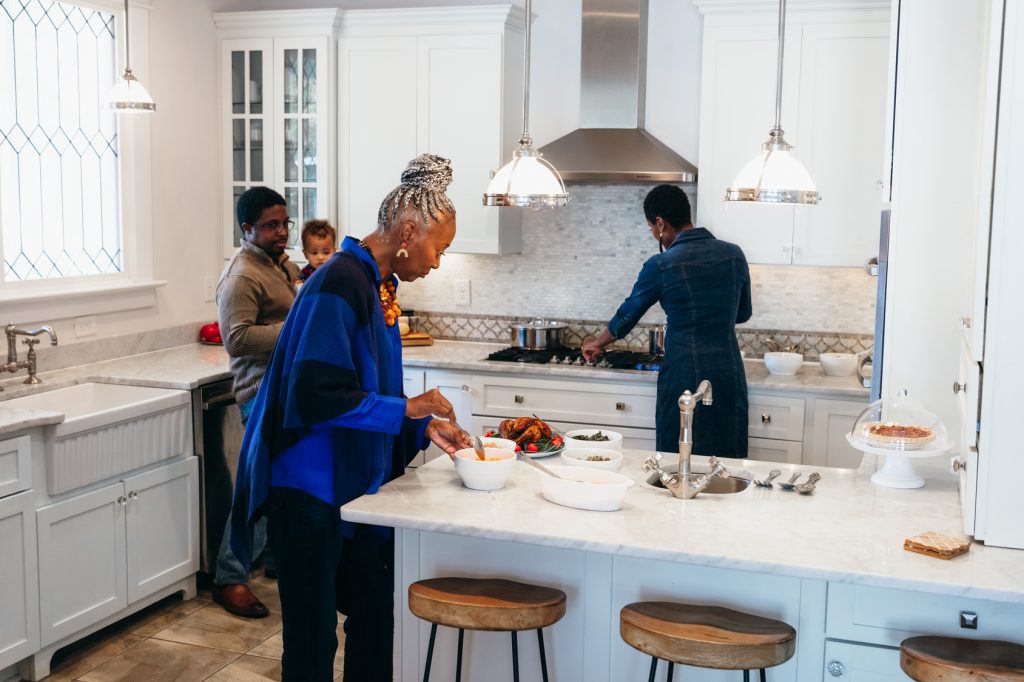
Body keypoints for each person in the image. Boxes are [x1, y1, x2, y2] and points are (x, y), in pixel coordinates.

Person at [230, 154, 469, 681]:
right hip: (309, 491)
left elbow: (367, 391)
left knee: (376, 619)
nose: (437, 262)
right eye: (439, 248)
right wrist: (408, 407)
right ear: (409, 231)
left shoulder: (377, 285)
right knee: (313, 643)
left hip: (352, 490)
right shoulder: (339, 282)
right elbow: (317, 394)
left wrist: (418, 424)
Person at [582, 184, 752, 457]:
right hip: (728, 373)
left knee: (679, 456)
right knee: (726, 458)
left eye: (651, 227)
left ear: (660, 223)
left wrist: (597, 343)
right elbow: (743, 314)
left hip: (684, 372)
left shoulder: (661, 264)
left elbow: (628, 314)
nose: (653, 233)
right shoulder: (734, 254)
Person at [213, 186, 300, 618]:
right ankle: (230, 577)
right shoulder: (242, 275)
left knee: (281, 485)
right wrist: (296, 326)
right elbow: (237, 339)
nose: (282, 231)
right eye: (271, 225)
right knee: (258, 488)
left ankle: (275, 562)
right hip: (260, 395)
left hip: (283, 392)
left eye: (285, 222)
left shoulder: (277, 264)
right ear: (248, 229)